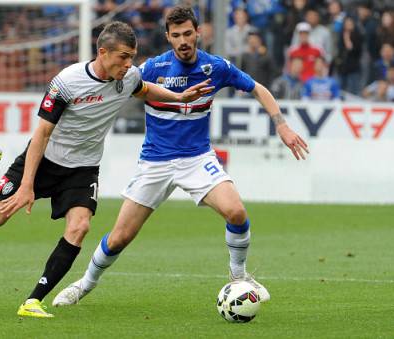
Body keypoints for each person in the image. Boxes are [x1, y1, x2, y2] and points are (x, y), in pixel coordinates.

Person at [0, 21, 213, 318]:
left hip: (83, 168)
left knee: (80, 226)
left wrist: (179, 97)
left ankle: (32, 301)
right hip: (47, 159)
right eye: (123, 56)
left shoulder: (129, 76)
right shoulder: (67, 82)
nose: (129, 64)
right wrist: (27, 186)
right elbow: (42, 135)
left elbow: (144, 89)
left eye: (132, 56)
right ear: (103, 52)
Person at [52, 6, 308, 309]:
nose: (183, 40)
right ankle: (85, 284)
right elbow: (111, 84)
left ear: (198, 33)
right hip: (155, 163)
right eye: (176, 35)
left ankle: (239, 277)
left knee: (236, 212)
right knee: (120, 237)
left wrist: (282, 125)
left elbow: (258, 88)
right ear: (168, 37)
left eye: (188, 33)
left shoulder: (216, 67)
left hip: (197, 158)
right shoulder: (150, 69)